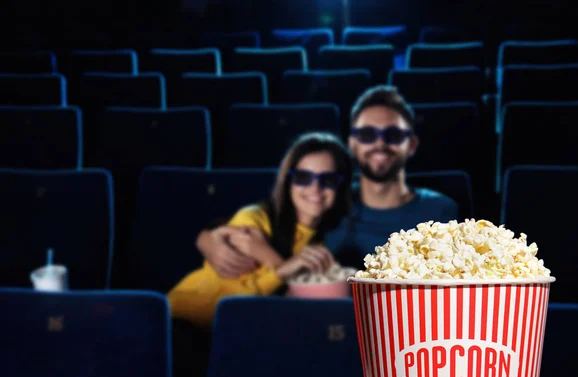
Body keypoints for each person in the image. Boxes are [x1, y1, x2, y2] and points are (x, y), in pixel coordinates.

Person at [197, 85, 459, 275]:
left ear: (411, 144)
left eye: (392, 135)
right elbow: (264, 218)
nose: (380, 144)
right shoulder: (327, 198)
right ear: (352, 144)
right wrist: (209, 239)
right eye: (367, 134)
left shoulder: (441, 211)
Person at [167, 132, 353, 328]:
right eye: (303, 177)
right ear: (288, 181)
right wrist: (282, 270)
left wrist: (271, 258)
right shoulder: (253, 219)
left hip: (235, 334)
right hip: (183, 320)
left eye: (329, 179)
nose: (315, 187)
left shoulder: (325, 241)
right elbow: (234, 305)